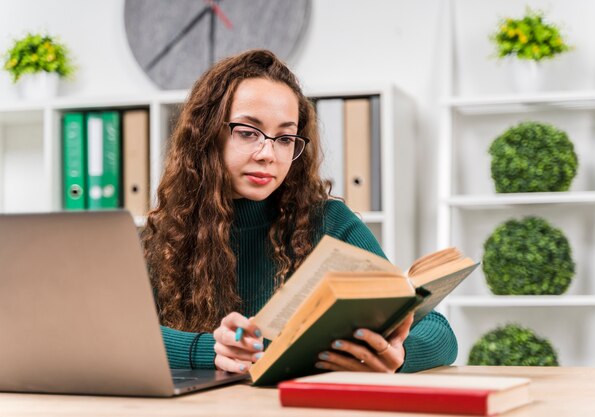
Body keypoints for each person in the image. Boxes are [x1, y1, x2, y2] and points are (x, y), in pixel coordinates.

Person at [142, 49, 457, 374]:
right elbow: (114, 335)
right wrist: (210, 350)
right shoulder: (164, 234)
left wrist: (401, 354)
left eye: (285, 138)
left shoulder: (330, 223)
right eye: (248, 132)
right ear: (207, 134)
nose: (268, 154)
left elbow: (438, 331)